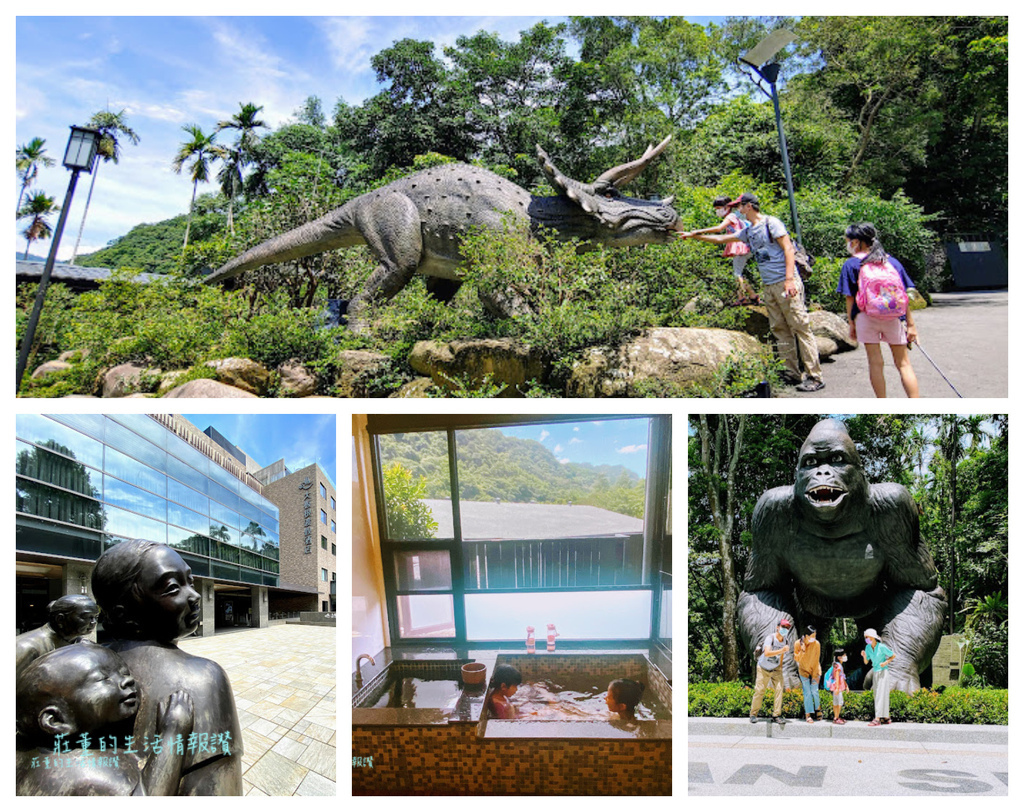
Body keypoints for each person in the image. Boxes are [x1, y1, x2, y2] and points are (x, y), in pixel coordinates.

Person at [91, 539, 243, 795]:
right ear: (122, 613)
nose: (193, 596)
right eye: (172, 588)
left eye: (189, 581)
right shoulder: (203, 678)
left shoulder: (83, 671)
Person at [676, 193, 824, 391]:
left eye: (740, 206)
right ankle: (792, 373)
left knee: (800, 327)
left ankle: (815, 376)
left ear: (749, 206)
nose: (737, 209)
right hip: (769, 285)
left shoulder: (772, 223)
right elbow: (721, 238)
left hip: (785, 281)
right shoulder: (748, 230)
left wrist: (790, 280)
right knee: (780, 329)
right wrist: (695, 235)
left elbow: (788, 249)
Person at [16, 642, 194, 796]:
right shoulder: (85, 773)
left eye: (124, 672)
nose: (127, 681)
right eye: (103, 678)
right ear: (56, 720)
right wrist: (173, 732)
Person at [838, 222, 920, 398]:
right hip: (893, 317)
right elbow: (904, 296)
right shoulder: (891, 262)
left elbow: (850, 298)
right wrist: (910, 325)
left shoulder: (851, 264)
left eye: (848, 241)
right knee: (904, 363)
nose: (847, 244)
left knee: (875, 362)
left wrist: (851, 324)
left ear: (857, 242)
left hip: (865, 318)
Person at [685, 196, 758, 305]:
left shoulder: (731, 216)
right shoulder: (735, 216)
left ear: (727, 207)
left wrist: (698, 232)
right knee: (738, 272)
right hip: (745, 245)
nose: (717, 211)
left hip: (741, 246)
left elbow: (719, 228)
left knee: (737, 273)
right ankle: (751, 295)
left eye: (719, 208)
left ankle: (743, 298)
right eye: (716, 209)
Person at [15, 595, 100, 679]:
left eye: (96, 617)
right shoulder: (25, 647)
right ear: (60, 619)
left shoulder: (85, 644)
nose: (93, 622)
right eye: (86, 617)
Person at [749, 617, 792, 723]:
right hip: (763, 667)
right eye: (783, 627)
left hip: (776, 669)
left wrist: (780, 667)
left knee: (779, 690)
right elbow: (767, 653)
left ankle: (776, 715)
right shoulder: (770, 638)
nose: (785, 629)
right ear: (777, 627)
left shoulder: (786, 641)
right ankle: (753, 714)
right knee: (760, 691)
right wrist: (781, 650)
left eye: (787, 628)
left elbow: (781, 656)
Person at [862, 628, 897, 726]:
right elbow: (866, 662)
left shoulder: (881, 647)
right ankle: (886, 717)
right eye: (865, 638)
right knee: (877, 693)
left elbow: (893, 655)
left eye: (867, 637)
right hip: (875, 672)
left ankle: (877, 718)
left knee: (881, 694)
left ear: (873, 637)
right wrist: (864, 656)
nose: (866, 639)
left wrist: (886, 662)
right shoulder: (868, 648)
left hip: (883, 672)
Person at [794, 625, 822, 723]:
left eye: (815, 635)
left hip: (815, 668)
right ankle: (808, 714)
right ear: (806, 635)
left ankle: (818, 708)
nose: (814, 638)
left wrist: (815, 675)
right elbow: (796, 659)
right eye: (812, 636)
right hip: (803, 670)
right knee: (807, 692)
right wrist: (803, 650)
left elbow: (816, 659)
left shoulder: (817, 644)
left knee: (814, 690)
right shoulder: (798, 643)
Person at [823, 648, 849, 724]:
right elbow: (837, 676)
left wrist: (846, 686)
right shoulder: (838, 666)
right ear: (839, 657)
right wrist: (837, 687)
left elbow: (842, 677)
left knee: (837, 701)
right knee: (839, 701)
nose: (845, 656)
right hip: (837, 686)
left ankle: (837, 717)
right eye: (844, 655)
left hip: (838, 686)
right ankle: (836, 717)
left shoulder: (838, 665)